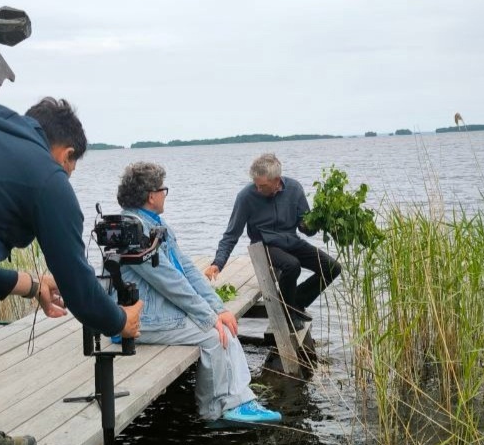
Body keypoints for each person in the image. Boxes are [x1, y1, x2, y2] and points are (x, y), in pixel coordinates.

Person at [0, 98, 143, 445]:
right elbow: (80, 292)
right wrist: (119, 321)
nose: (69, 174)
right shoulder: (46, 176)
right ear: (67, 153)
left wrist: (30, 285)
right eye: (73, 166)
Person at [116, 162, 281, 425]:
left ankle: (239, 399)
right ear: (151, 195)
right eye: (163, 190)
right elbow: (171, 283)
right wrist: (208, 317)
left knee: (227, 325)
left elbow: (188, 271)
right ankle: (213, 411)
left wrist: (220, 309)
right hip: (139, 320)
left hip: (157, 310)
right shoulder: (134, 231)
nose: (164, 195)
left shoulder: (155, 225)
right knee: (214, 335)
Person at [205, 153, 340, 330]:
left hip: (291, 241)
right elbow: (231, 234)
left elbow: (306, 229)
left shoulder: (294, 189)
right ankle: (288, 314)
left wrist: (318, 221)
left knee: (332, 268)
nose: (258, 189)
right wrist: (218, 263)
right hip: (264, 245)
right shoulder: (246, 196)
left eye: (262, 185)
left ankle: (296, 303)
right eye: (255, 184)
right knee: (292, 265)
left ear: (276, 180)